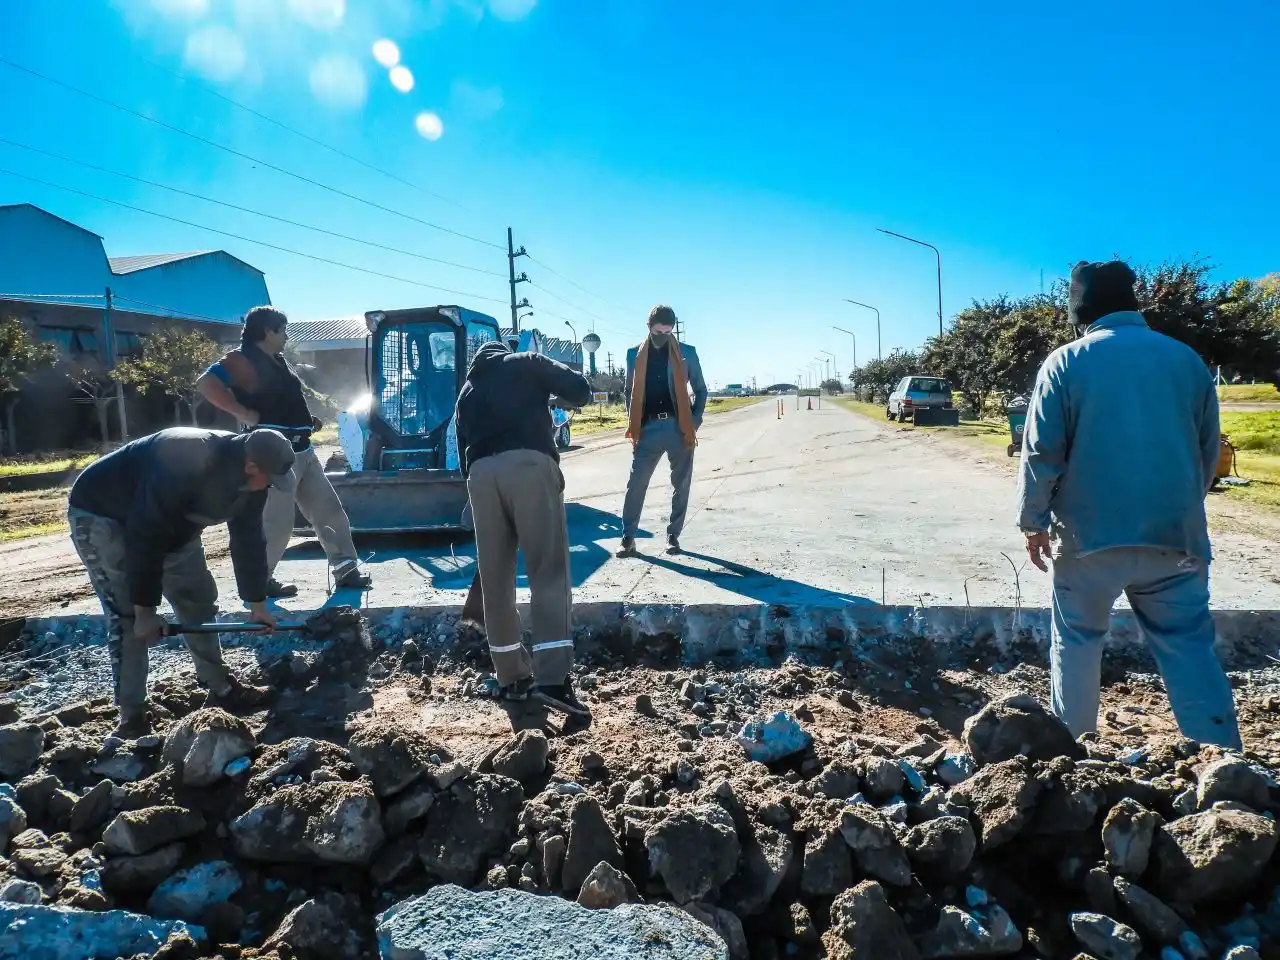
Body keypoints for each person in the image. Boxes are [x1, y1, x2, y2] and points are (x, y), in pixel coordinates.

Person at [1017, 259, 1241, 749]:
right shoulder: (1186, 361)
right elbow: (1206, 453)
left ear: (1082, 306)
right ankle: (1226, 768)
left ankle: (1074, 760)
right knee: (1188, 647)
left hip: (1087, 542)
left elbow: (1042, 452)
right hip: (1175, 542)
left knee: (1076, 643)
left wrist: (1033, 522)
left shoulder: (1067, 361)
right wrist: (1179, 508)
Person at [67, 428, 295, 738]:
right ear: (251, 466)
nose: (269, 487)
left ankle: (222, 688)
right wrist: (146, 610)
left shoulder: (253, 480)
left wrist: (257, 603)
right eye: (269, 479)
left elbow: (248, 537)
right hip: (104, 515)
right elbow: (145, 536)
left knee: (197, 597)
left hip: (172, 523)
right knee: (128, 617)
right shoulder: (183, 456)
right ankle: (131, 718)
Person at [455, 339, 593, 725]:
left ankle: (511, 678)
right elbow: (579, 391)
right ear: (504, 350)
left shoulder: (467, 392)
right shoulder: (526, 361)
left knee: (495, 579)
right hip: (529, 467)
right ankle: (552, 681)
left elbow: (462, 445)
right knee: (547, 569)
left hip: (480, 477)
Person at [196, 305, 371, 596]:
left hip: (303, 450)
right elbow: (206, 383)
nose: (287, 336)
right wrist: (242, 412)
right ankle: (259, 583)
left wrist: (306, 422)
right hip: (272, 455)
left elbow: (283, 399)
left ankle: (347, 570)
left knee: (329, 512)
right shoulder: (242, 359)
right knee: (276, 524)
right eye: (283, 330)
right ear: (268, 331)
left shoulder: (276, 360)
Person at [617, 305, 709, 557]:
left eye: (669, 332)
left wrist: (694, 421)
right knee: (636, 483)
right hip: (647, 429)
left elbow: (701, 390)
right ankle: (628, 537)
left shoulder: (687, 353)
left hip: (679, 428)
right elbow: (629, 391)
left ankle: (673, 536)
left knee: (681, 484)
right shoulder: (633, 354)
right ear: (649, 328)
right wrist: (633, 422)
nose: (664, 336)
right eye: (659, 331)